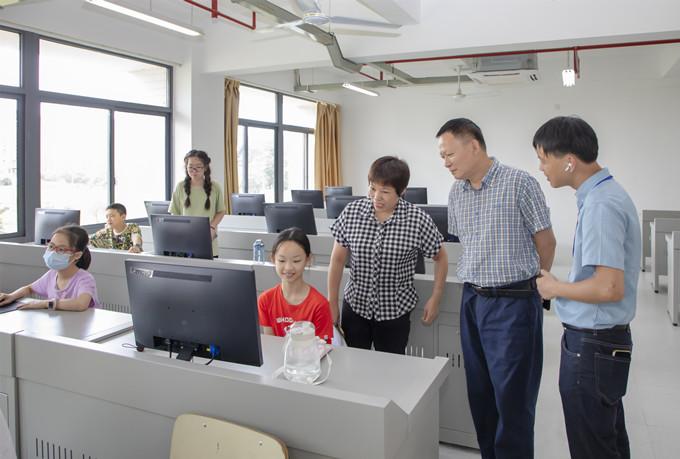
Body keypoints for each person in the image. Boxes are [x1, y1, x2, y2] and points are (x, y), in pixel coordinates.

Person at [437, 118, 556, 458]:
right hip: (473, 300)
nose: (446, 163)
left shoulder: (520, 183)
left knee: (513, 400)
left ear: (474, 146)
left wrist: (537, 285)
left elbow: (546, 242)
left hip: (513, 302)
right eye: (442, 157)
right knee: (480, 393)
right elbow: (467, 242)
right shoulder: (456, 192)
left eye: (449, 154)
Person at [532, 116, 639, 459]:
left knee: (592, 448)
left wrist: (555, 288)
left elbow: (609, 288)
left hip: (593, 346)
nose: (541, 167)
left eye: (543, 159)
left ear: (569, 161)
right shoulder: (604, 195)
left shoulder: (601, 205)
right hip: (602, 343)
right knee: (607, 442)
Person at [327, 156, 448, 354]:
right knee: (353, 364)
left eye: (385, 191)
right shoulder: (352, 212)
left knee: (391, 368)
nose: (377, 197)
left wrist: (436, 297)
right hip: (355, 307)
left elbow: (440, 257)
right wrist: (331, 302)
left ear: (402, 191)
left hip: (395, 313)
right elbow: (338, 260)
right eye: (372, 188)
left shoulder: (417, 219)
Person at [258, 227, 334, 344]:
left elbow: (322, 348)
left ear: (308, 259)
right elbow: (271, 344)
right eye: (282, 261)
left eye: (296, 261)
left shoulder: (319, 305)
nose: (288, 267)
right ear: (273, 259)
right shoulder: (265, 300)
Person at [0, 225, 101, 311]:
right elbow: (30, 289)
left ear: (77, 255)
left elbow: (81, 304)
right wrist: (12, 296)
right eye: (51, 246)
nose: (53, 252)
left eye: (61, 249)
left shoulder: (84, 278)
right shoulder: (52, 274)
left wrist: (45, 304)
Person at [169, 150, 226, 258]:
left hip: (208, 240)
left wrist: (212, 228)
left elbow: (221, 211)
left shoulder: (215, 186)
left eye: (198, 167)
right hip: (185, 241)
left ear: (205, 167)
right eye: (190, 167)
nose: (194, 171)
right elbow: (174, 213)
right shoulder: (180, 187)